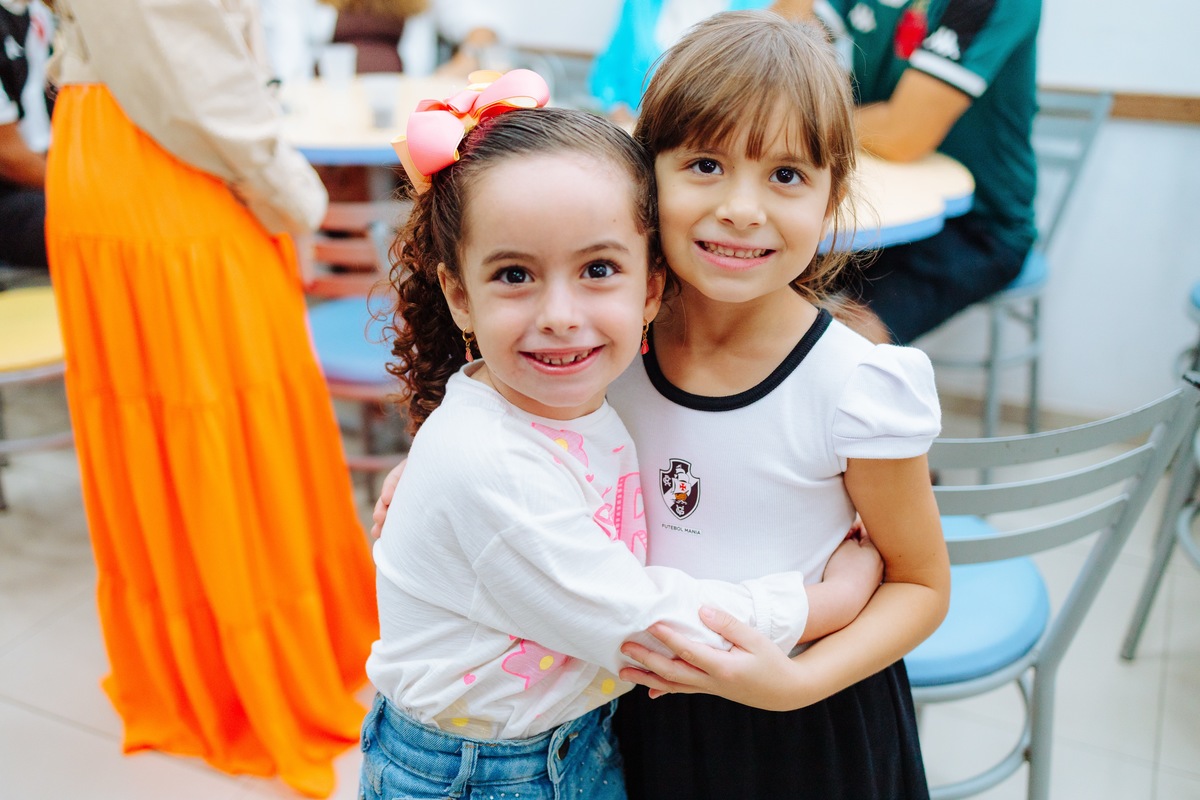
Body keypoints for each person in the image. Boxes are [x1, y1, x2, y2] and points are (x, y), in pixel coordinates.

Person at [361, 70, 885, 800]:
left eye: (598, 269)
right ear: (460, 296)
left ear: (650, 287)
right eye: (515, 274)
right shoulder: (492, 460)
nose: (562, 315)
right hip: (483, 775)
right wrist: (826, 601)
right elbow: (648, 622)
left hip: (576, 735)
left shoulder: (583, 384)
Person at [603, 13, 949, 798]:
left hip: (807, 728)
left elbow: (921, 585)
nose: (742, 208)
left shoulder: (857, 386)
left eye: (786, 175)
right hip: (634, 720)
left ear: (832, 197)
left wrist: (792, 685)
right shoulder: (611, 349)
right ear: (646, 176)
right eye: (704, 163)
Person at [43, 1, 377, 797]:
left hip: (124, 146)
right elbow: (192, 82)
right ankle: (235, 675)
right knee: (224, 426)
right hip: (166, 166)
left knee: (196, 424)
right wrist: (297, 195)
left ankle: (214, 661)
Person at [782, 0, 1041, 344]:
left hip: (975, 225)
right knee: (738, 295)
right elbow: (768, 53)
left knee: (833, 343)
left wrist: (800, 121)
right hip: (868, 208)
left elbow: (904, 132)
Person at [588, 0, 775, 123]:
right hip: (637, 136)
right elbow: (607, 71)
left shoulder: (761, 8)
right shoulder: (641, 4)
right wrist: (622, 116)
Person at [0, 0, 53, 272]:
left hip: (37, 174)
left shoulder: (40, 13)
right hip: (10, 192)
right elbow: (7, 154)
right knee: (98, 216)